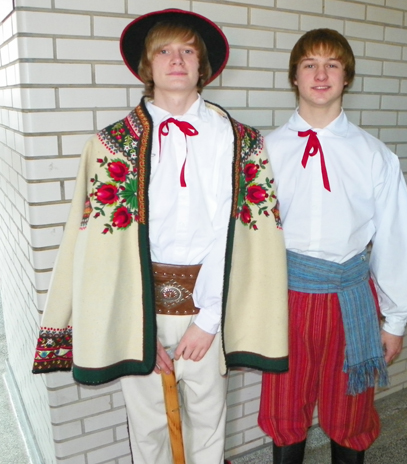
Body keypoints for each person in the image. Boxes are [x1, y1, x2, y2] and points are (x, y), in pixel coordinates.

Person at [32, 9, 289, 464]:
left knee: (209, 425)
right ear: (146, 66)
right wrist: (139, 325)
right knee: (148, 426)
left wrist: (208, 319)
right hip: (140, 309)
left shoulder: (242, 142)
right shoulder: (110, 144)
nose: (176, 59)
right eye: (164, 51)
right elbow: (97, 245)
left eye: (188, 50)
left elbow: (246, 239)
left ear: (202, 66)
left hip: (210, 308)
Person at [257, 28, 407, 464]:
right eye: (309, 63)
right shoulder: (265, 152)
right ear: (293, 76)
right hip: (286, 300)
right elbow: (248, 240)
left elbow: (396, 236)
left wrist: (395, 319)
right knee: (285, 416)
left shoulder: (374, 155)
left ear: (346, 77)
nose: (320, 74)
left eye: (332, 64)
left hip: (350, 301)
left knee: (350, 419)